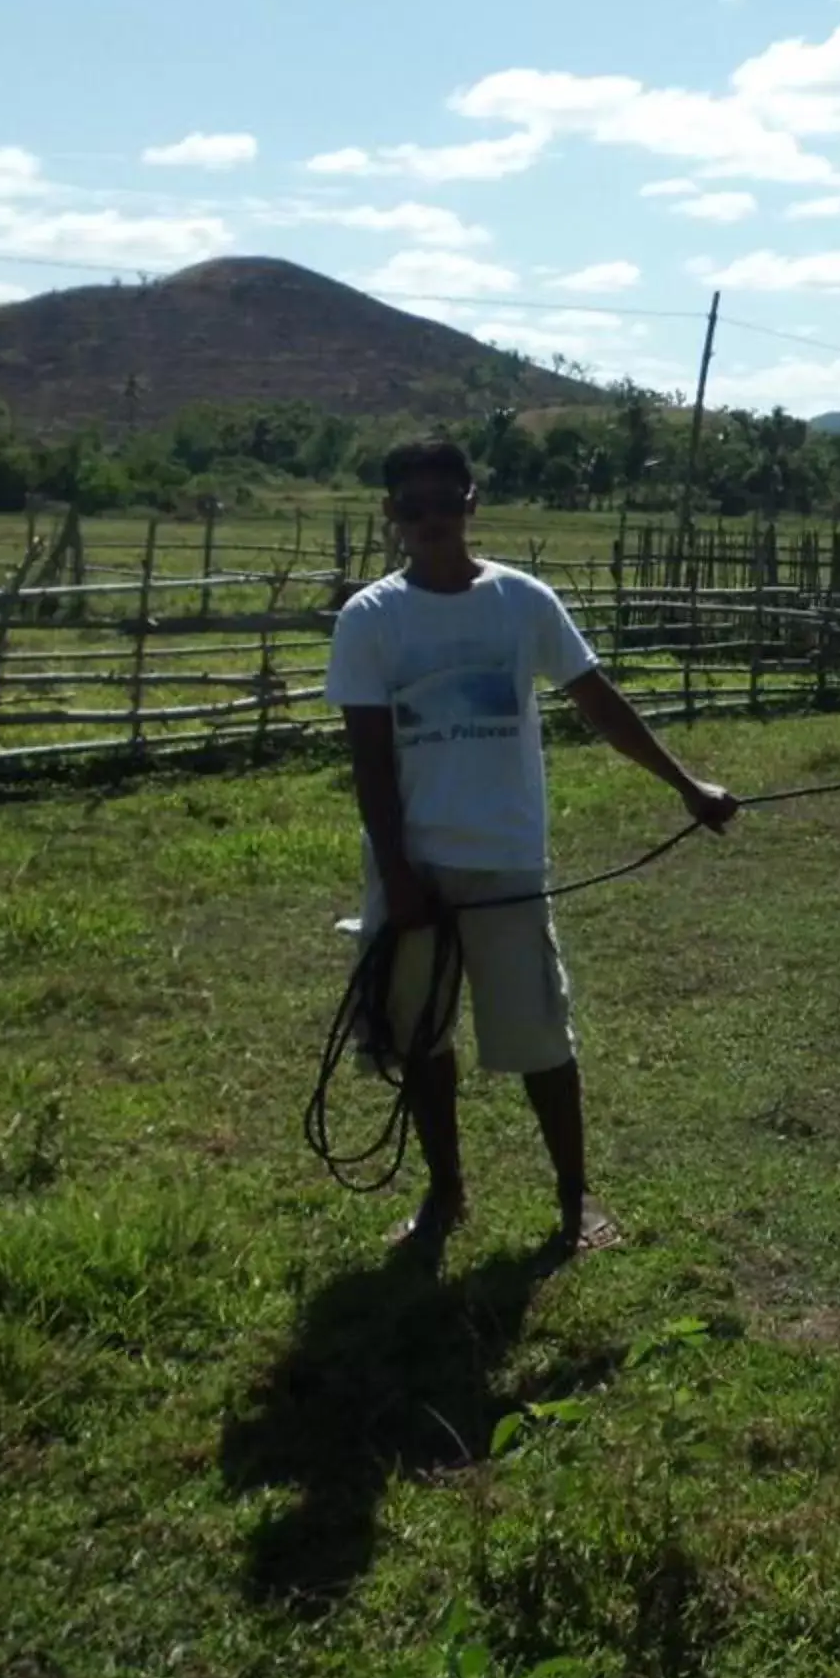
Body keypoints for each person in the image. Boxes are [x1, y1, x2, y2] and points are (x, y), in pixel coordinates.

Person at [324, 439, 737, 1260]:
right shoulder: (371, 618)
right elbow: (369, 758)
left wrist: (687, 786)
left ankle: (575, 1198)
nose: (431, 520)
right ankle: (446, 1195)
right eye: (413, 507)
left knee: (542, 1036)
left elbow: (598, 702)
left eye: (445, 502)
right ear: (391, 518)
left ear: (473, 502)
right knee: (422, 1036)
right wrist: (399, 872)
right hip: (416, 863)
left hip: (507, 857)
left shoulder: (523, 602)